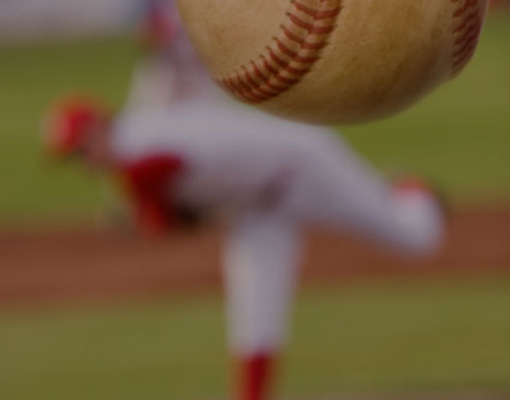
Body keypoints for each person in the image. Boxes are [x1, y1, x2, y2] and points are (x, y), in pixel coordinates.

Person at [42, 95, 447, 400]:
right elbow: (174, 208)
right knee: (254, 313)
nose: (82, 161)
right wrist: (151, 213)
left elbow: (164, 192)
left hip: (305, 169)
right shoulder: (134, 145)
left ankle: (412, 190)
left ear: (98, 128)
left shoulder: (136, 150)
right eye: (74, 156)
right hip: (256, 209)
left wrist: (143, 215)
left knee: (415, 239)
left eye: (81, 148)